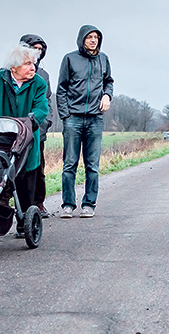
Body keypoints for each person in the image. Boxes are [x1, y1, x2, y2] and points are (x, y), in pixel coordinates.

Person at [0, 43, 49, 237]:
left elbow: (41, 107)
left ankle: (25, 223)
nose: (33, 67)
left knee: (26, 182)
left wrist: (32, 120)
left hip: (27, 139)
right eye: (27, 64)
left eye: (34, 63)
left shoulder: (38, 83)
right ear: (13, 68)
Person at [56, 25, 113, 219]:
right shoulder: (70, 58)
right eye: (89, 37)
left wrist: (107, 95)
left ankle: (89, 204)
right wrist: (65, 114)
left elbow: (109, 81)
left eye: (96, 37)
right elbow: (61, 88)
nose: (93, 40)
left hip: (95, 119)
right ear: (82, 39)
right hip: (73, 118)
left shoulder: (103, 59)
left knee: (93, 165)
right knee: (69, 164)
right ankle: (68, 205)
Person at [20, 34, 54, 219]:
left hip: (36, 129)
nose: (38, 52)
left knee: (37, 168)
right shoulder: (8, 72)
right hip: (14, 130)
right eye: (34, 48)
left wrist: (43, 125)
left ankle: (37, 203)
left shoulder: (43, 77)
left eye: (41, 49)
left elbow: (46, 103)